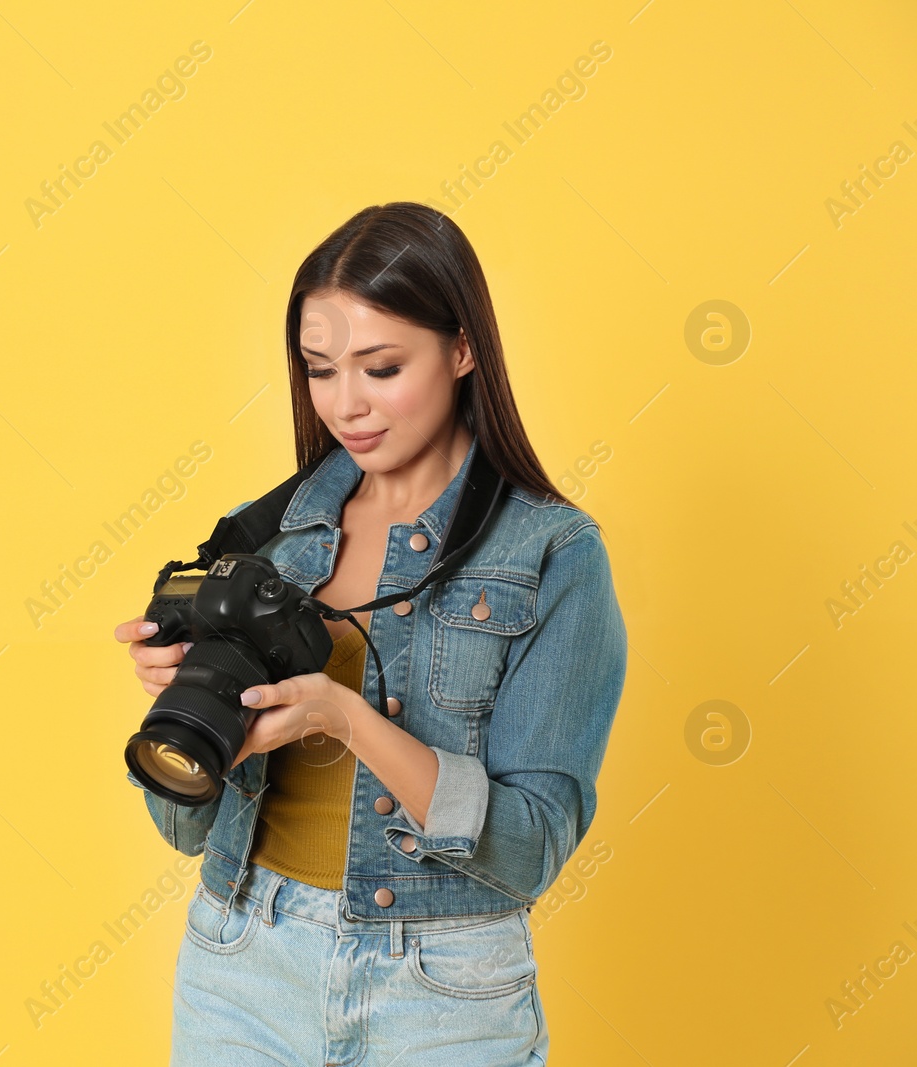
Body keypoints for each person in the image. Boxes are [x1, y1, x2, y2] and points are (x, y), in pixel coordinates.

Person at [114, 202, 628, 1065]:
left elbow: (529, 852)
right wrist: (184, 699)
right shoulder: (261, 536)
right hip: (242, 963)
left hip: (443, 992)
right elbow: (184, 831)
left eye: (382, 367)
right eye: (320, 370)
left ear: (463, 349)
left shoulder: (553, 556)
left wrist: (345, 718)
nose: (345, 404)